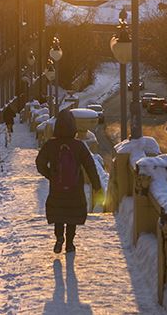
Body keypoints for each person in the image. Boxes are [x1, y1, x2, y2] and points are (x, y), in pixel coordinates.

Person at [36, 109, 101, 254]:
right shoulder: (79, 146)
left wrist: (50, 175)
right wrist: (97, 185)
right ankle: (70, 243)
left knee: (59, 215)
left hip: (57, 188)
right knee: (72, 216)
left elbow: (39, 163)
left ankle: (59, 238)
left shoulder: (50, 145)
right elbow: (90, 166)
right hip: (75, 188)